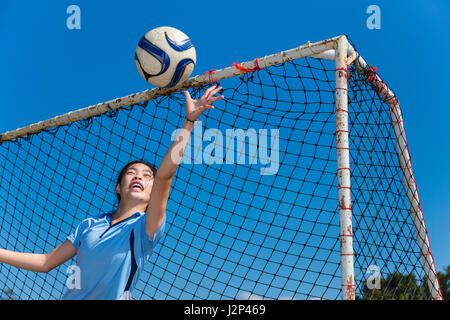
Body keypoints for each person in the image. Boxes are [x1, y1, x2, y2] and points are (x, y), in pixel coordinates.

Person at [0, 85, 225, 299]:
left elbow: (165, 176)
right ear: (118, 187)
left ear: (152, 190)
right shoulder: (89, 224)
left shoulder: (146, 226)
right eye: (132, 173)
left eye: (147, 176)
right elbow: (46, 262)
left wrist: (189, 122)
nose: (139, 177)